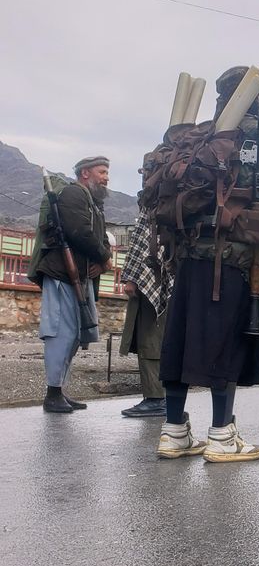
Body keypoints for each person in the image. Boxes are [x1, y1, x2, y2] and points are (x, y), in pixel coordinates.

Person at [155, 66, 259, 462]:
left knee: (179, 340)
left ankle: (173, 432)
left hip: (185, 254)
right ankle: (221, 435)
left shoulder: (198, 135)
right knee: (225, 341)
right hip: (231, 257)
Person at [28, 156, 113, 413]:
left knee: (75, 336)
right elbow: (79, 233)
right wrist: (105, 257)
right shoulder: (75, 195)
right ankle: (52, 393)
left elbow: (98, 238)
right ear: (85, 173)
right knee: (60, 335)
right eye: (102, 171)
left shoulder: (93, 203)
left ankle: (60, 391)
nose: (106, 177)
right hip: (62, 275)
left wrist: (103, 258)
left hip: (79, 276)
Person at [118, 207, 171, 417]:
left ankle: (155, 398)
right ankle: (164, 396)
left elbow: (141, 241)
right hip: (171, 276)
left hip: (154, 278)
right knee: (160, 338)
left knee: (149, 338)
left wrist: (131, 277)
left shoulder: (154, 201)